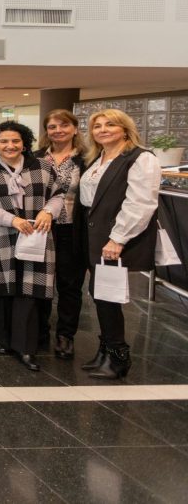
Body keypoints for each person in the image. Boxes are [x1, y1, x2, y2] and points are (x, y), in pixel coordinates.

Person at [0, 122, 64, 371]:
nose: (10, 146)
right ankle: (5, 341)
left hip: (36, 236)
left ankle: (25, 347)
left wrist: (48, 212)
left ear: (24, 143)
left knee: (29, 291)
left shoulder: (42, 167)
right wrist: (11, 220)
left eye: (15, 141)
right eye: (3, 141)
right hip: (0, 237)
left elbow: (58, 195)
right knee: (3, 291)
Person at [78, 109, 160, 380]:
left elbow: (141, 203)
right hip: (95, 234)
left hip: (114, 237)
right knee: (99, 294)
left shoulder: (140, 158)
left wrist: (118, 238)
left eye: (110, 124)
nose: (102, 130)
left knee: (108, 296)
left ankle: (118, 357)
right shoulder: (99, 158)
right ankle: (105, 351)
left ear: (125, 129)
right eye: (97, 126)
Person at [35, 109, 87, 359]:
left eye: (64, 125)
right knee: (40, 281)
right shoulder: (36, 158)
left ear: (75, 128)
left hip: (71, 229)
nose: (58, 131)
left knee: (69, 284)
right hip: (40, 228)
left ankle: (65, 335)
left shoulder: (87, 159)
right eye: (52, 126)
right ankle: (39, 330)